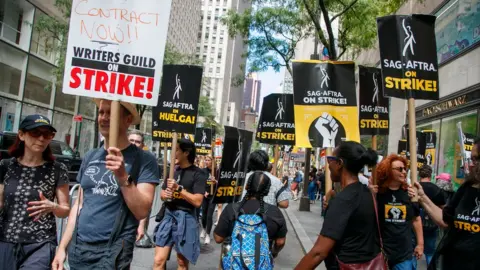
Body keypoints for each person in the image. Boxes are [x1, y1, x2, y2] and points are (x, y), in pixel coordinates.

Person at [52, 99, 159, 269]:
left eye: (111, 113)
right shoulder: (90, 156)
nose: (104, 117)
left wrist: (123, 176)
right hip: (79, 250)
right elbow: (79, 206)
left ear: (128, 120)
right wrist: (62, 247)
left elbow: (142, 211)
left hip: (113, 253)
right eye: (101, 112)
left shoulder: (144, 160)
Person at [295, 141, 382, 269]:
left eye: (330, 159)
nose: (328, 164)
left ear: (340, 163)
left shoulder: (344, 200)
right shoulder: (368, 194)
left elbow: (318, 253)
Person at [0, 115, 70, 269]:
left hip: (41, 243)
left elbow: (65, 210)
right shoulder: (6, 166)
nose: (41, 138)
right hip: (6, 240)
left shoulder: (57, 169)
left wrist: (52, 206)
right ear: (21, 135)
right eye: (35, 133)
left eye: (47, 135)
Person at [412, 137, 480, 270]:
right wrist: (422, 197)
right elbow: (445, 220)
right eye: (471, 159)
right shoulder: (466, 188)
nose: (471, 164)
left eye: (477, 159)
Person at [154, 139, 207, 270]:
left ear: (186, 153)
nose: (173, 153)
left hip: (186, 217)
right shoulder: (172, 171)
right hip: (168, 215)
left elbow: (198, 201)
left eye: (176, 150)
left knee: (182, 262)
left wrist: (178, 189)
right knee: (158, 260)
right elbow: (162, 194)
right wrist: (164, 195)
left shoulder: (198, 174)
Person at [214, 172, 287, 267]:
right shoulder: (275, 212)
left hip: (234, 264)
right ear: (267, 191)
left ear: (246, 187)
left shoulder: (231, 209)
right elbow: (280, 242)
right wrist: (273, 252)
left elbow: (218, 238)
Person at [373, 154, 423, 270]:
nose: (404, 172)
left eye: (405, 169)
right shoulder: (377, 194)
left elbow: (416, 219)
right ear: (387, 171)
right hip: (380, 252)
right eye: (400, 169)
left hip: (404, 253)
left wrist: (420, 245)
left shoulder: (410, 194)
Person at [411, 165, 445, 268]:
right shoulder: (437, 189)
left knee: (413, 252)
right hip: (431, 225)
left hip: (414, 226)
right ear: (430, 175)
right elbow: (444, 208)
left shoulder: (413, 188)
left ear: (419, 174)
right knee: (430, 253)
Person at [128, 130, 155, 248]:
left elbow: (146, 200)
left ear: (142, 145)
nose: (134, 144)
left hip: (137, 211)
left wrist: (141, 225)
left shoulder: (147, 161)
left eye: (137, 142)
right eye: (131, 140)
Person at [200, 155, 217, 245]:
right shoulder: (203, 171)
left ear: (212, 161)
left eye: (208, 160)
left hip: (213, 196)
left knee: (209, 215)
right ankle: (203, 228)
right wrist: (204, 192)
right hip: (205, 195)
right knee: (204, 215)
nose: (206, 162)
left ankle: (207, 234)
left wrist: (216, 182)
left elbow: (221, 184)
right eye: (205, 160)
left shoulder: (217, 171)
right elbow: (200, 182)